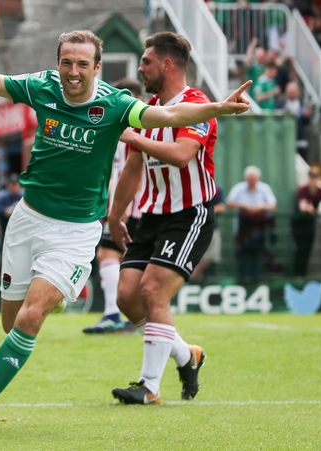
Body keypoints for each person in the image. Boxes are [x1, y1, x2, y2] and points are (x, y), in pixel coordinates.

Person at [0, 29, 250, 435]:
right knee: (11, 323)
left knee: (32, 316)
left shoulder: (116, 104)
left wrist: (220, 107)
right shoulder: (42, 87)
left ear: (97, 67)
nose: (73, 72)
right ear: (57, 64)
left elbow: (170, 117)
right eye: (67, 63)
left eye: (82, 64)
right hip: (27, 221)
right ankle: (58, 298)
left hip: (75, 232)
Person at [108, 32, 223, 406]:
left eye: (146, 61)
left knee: (154, 291)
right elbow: (132, 169)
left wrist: (133, 138)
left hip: (190, 214)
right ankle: (187, 354)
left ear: (167, 64)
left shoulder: (198, 106)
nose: (141, 68)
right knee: (127, 296)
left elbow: (181, 154)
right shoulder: (148, 110)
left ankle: (149, 386)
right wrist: (115, 215)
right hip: (153, 214)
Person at [82, 77, 145, 335]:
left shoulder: (137, 128)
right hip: (124, 204)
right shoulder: (121, 127)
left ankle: (115, 315)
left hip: (131, 206)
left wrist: (122, 208)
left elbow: (137, 170)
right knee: (122, 258)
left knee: (111, 256)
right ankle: (127, 316)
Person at [226, 166, 278, 282]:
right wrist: (245, 207)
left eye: (254, 178)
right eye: (250, 178)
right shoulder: (238, 188)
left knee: (257, 256)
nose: (252, 181)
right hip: (242, 230)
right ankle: (242, 281)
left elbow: (273, 206)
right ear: (245, 178)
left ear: (258, 178)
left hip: (258, 231)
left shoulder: (265, 189)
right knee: (242, 256)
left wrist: (260, 207)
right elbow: (229, 203)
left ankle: (255, 280)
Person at [291, 167, 321, 277]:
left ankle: (303, 275)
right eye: (311, 177)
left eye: (316, 177)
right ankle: (297, 275)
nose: (313, 180)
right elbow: (302, 207)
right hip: (298, 223)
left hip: (310, 223)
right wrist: (308, 208)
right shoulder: (302, 189)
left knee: (307, 250)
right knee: (300, 249)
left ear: (320, 178)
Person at [190, 186, 226, 281]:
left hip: (211, 228)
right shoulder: (192, 188)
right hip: (194, 228)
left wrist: (202, 211)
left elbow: (221, 208)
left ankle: (194, 274)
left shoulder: (217, 189)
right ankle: (194, 276)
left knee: (212, 255)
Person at [276, 82, 311, 161]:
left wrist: (307, 116)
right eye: (290, 91)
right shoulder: (280, 105)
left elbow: (307, 122)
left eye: (294, 91)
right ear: (286, 92)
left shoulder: (303, 106)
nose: (292, 93)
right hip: (285, 141)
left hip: (300, 140)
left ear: (298, 92)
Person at [0, 173, 23, 242]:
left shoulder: (23, 196)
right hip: (5, 226)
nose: (14, 187)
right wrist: (4, 210)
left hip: (20, 227)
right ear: (8, 185)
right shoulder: (3, 196)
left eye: (16, 184)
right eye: (12, 185)